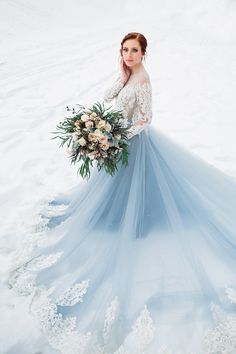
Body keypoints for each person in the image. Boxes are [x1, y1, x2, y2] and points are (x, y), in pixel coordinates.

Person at [8, 32, 236, 354]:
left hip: (134, 145)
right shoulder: (129, 74)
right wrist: (120, 75)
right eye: (125, 50)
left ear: (144, 53)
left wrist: (116, 136)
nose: (129, 55)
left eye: (134, 51)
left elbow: (145, 119)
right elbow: (108, 95)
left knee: (136, 189)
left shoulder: (144, 82)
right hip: (120, 142)